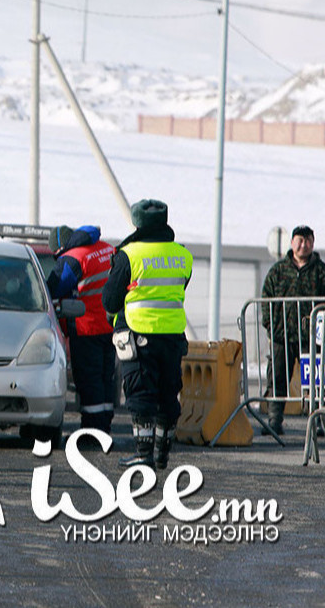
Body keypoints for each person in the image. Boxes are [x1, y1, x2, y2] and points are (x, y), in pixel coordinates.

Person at [102, 199, 192, 470]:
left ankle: (143, 453)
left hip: (140, 333)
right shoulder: (183, 255)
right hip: (173, 335)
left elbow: (110, 300)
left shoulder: (130, 254)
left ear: (137, 222)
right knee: (168, 393)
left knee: (141, 393)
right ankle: (162, 453)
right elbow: (180, 286)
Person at [260, 224, 325, 435]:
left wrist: (321, 325)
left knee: (315, 381)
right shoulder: (278, 271)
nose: (304, 245)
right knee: (277, 378)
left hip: (310, 338)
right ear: (292, 243)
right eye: (300, 240)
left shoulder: (321, 271)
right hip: (281, 336)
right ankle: (275, 421)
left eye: (309, 240)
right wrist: (271, 325)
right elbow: (265, 299)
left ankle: (316, 421)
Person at [47, 224, 117, 433]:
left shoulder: (73, 259)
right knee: (106, 379)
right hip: (109, 326)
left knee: (89, 380)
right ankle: (104, 426)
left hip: (87, 328)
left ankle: (92, 432)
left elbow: (52, 289)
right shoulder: (106, 248)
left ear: (60, 248)